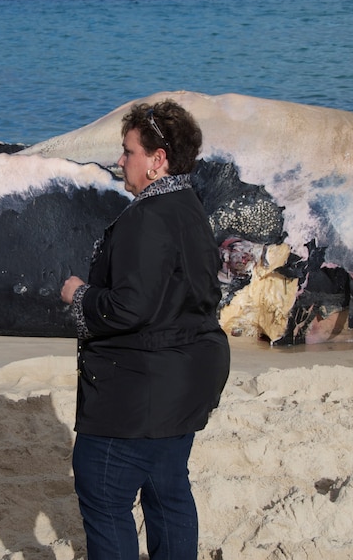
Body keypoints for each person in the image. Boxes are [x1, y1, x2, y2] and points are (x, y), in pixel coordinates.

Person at [60, 100, 230, 559]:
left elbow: (130, 308)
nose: (120, 161)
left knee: (105, 496)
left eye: (128, 151)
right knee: (168, 493)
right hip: (187, 379)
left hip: (140, 391)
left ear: (157, 161)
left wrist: (78, 294)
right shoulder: (190, 206)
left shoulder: (146, 217)